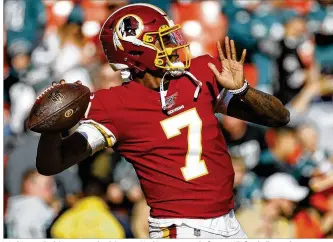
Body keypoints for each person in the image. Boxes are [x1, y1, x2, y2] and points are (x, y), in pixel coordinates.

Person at [36, 3, 289, 239]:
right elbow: (52, 164)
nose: (174, 44)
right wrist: (52, 128)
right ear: (134, 51)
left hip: (229, 219)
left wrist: (243, 89)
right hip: (181, 228)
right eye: (162, 40)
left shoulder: (199, 75)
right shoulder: (112, 106)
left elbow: (279, 117)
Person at [5, 169, 58, 238]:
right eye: (48, 186)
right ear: (29, 185)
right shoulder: (34, 205)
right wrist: (55, 212)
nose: (54, 190)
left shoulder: (15, 204)